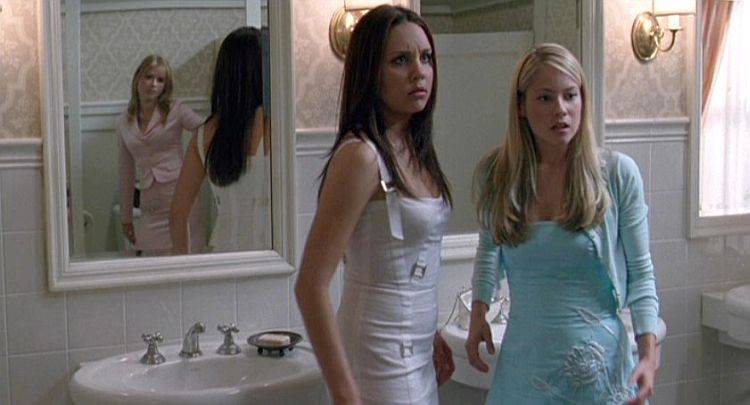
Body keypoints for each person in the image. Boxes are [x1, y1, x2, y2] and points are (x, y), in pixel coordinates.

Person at [465, 43, 660, 405]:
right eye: (545, 98)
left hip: (602, 375)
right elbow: (489, 250)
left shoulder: (617, 174)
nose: (561, 109)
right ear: (521, 106)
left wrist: (649, 355)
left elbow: (641, 273)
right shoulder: (498, 175)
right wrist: (479, 312)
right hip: (525, 372)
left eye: (570, 95)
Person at [294, 5, 455, 405]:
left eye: (426, 58)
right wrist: (344, 390)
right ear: (371, 72)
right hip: (375, 367)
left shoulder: (415, 150)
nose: (419, 72)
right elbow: (311, 285)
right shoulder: (361, 156)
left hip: (418, 360)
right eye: (401, 60)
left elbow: (408, 262)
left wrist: (430, 333)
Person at [170, 26, 270, 254]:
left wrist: (186, 266)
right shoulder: (275, 125)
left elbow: (177, 215)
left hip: (224, 257)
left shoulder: (205, 134)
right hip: (273, 257)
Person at [117, 54, 205, 256]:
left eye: (160, 80)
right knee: (151, 264)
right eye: (149, 77)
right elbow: (126, 172)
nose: (153, 84)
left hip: (181, 199)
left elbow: (205, 129)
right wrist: (126, 217)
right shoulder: (123, 121)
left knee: (185, 261)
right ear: (138, 78)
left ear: (166, 85)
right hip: (150, 207)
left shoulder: (176, 109)